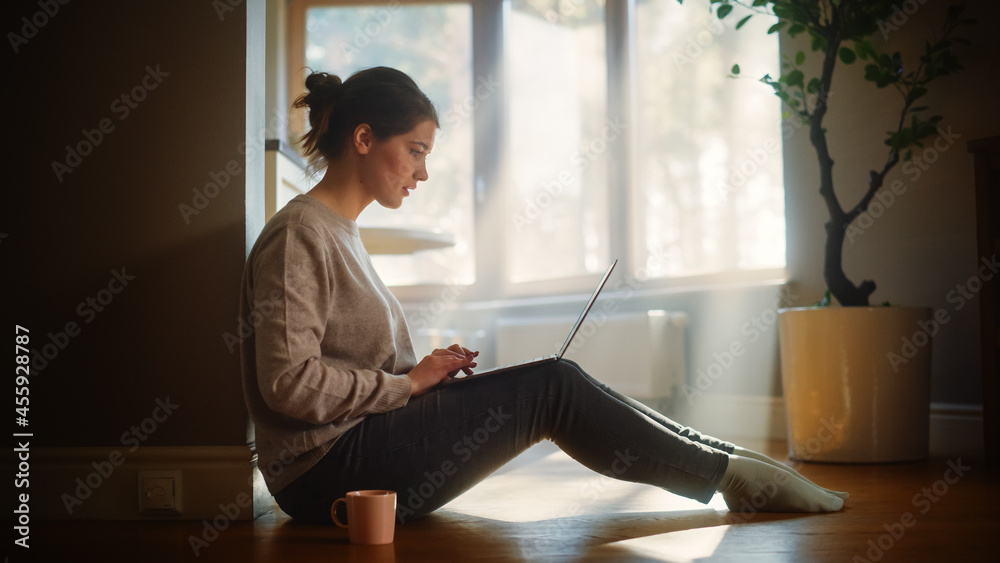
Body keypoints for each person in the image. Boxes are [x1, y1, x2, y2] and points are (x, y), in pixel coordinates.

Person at [239, 66, 847, 525]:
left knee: (557, 378)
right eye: (416, 151)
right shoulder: (300, 235)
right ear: (365, 138)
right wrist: (408, 384)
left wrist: (428, 379)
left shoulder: (339, 232)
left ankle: (728, 459)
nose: (422, 172)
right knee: (551, 386)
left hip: (358, 444)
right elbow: (288, 384)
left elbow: (350, 367)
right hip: (323, 474)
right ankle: (731, 477)